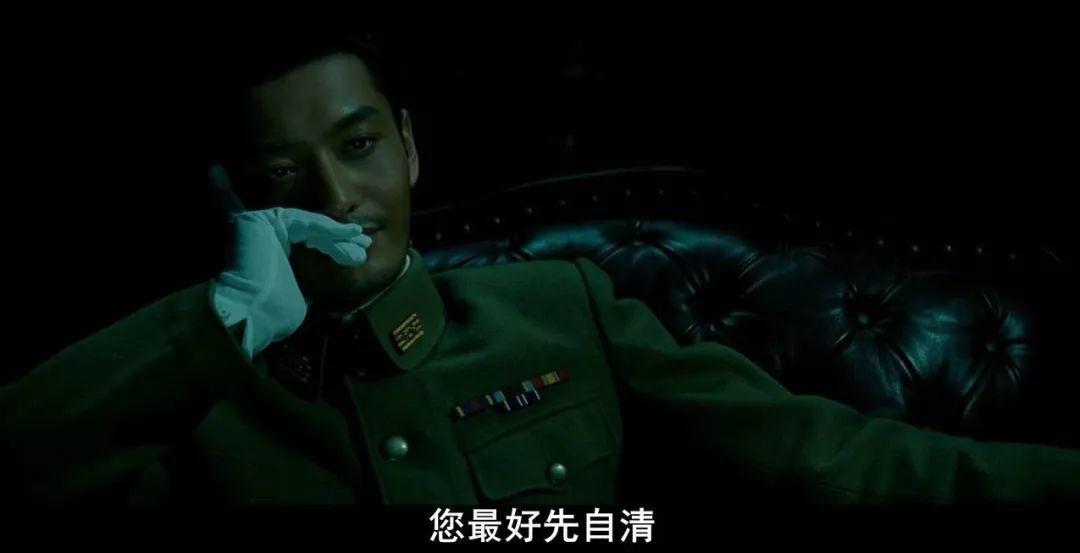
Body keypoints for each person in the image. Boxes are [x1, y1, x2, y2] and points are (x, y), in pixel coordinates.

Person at [2, 37, 1078, 507]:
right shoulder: (192, 388)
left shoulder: (560, 311)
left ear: (409, 148)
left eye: (360, 146)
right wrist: (225, 322)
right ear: (236, 200)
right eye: (285, 176)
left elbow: (833, 459)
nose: (336, 198)